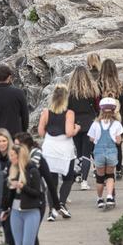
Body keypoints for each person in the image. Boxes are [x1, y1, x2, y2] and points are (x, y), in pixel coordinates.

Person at [38, 84, 80, 218]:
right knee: (68, 178)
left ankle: (51, 211)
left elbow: (40, 132)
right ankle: (61, 203)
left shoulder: (45, 112)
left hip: (49, 148)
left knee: (52, 181)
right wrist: (77, 129)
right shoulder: (69, 113)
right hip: (64, 149)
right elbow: (68, 132)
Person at [0, 144, 42, 245]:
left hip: (31, 211)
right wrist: (4, 209)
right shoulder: (12, 170)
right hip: (15, 212)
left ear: (19, 156)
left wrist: (22, 186)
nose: (10, 158)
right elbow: (8, 196)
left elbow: (37, 193)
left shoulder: (32, 170)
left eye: (12, 155)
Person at [98, 59, 123, 179]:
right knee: (117, 146)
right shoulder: (121, 86)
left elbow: (94, 104)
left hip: (102, 120)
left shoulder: (98, 85)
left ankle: (104, 171)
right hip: (117, 120)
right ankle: (118, 169)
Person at [14, 132, 60, 224]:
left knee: (31, 235)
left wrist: (56, 204)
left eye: (17, 145)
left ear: (25, 146)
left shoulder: (38, 159)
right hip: (17, 201)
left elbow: (50, 182)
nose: (14, 148)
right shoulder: (13, 158)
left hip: (35, 200)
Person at [67, 66, 100, 191]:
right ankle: (84, 181)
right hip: (89, 124)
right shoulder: (92, 90)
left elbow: (67, 109)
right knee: (87, 154)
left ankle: (78, 175)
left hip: (74, 123)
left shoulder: (70, 93)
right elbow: (97, 108)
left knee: (78, 152)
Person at [87, 97, 123, 208]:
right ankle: (109, 196)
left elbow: (91, 139)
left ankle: (99, 199)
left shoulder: (95, 124)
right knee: (110, 176)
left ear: (101, 110)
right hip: (111, 152)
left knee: (100, 177)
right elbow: (118, 141)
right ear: (114, 110)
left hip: (99, 152)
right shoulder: (117, 124)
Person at [0, 65, 29, 148]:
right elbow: (25, 116)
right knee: (14, 159)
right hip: (15, 135)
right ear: (9, 77)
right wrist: (23, 132)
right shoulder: (19, 93)